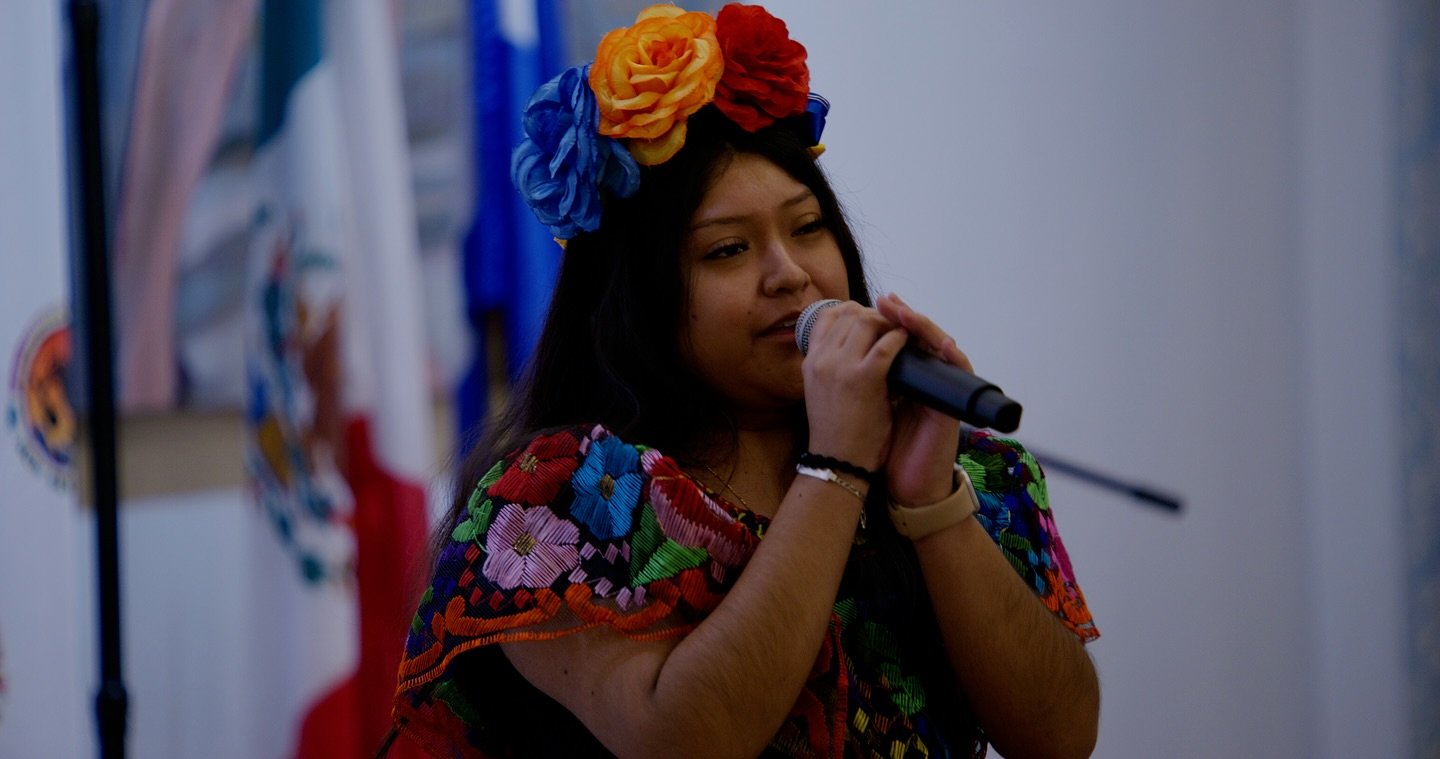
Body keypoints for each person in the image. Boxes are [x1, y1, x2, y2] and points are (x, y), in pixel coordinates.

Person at [388, 4, 1100, 757]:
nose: (790, 275)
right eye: (728, 250)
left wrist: (931, 500)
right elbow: (687, 738)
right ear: (640, 297)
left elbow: (1062, 736)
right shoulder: (559, 496)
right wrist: (836, 467)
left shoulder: (974, 471)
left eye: (807, 227)